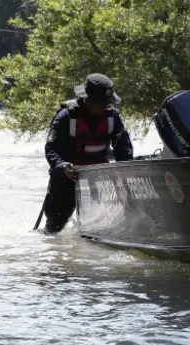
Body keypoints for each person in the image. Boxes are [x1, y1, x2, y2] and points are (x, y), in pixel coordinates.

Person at [43, 73, 134, 234]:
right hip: (67, 179)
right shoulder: (66, 117)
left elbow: (123, 149)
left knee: (97, 229)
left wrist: (126, 174)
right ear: (87, 100)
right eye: (100, 103)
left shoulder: (113, 117)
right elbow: (51, 149)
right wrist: (62, 166)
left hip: (98, 179)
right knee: (54, 231)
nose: (104, 107)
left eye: (106, 103)